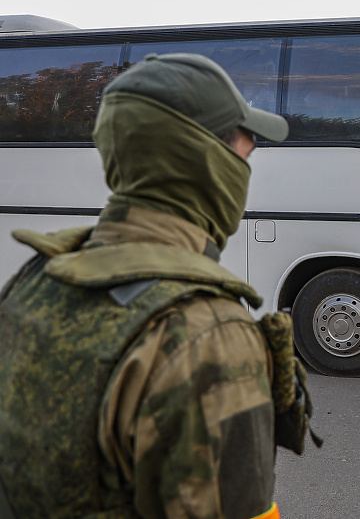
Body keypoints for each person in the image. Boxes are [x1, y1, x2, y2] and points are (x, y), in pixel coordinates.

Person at [0, 53, 293, 518]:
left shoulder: (35, 279)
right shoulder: (206, 333)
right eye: (245, 147)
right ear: (205, 159)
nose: (249, 160)